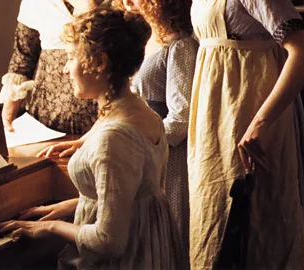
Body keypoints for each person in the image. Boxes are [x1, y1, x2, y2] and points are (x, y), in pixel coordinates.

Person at [0, 7, 183, 269]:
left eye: (71, 57)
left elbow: (109, 240)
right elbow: (133, 195)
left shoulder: (114, 136)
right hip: (151, 249)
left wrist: (51, 227)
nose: (64, 69)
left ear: (99, 62)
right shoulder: (141, 111)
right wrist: (70, 206)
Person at [188, 0, 304, 269]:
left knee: (258, 228)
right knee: (213, 222)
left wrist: (259, 124)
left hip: (248, 119)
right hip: (213, 125)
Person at [114, 0, 197, 267]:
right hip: (138, 152)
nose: (128, 1)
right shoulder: (142, 39)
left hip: (166, 157)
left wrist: (142, 145)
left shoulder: (180, 45)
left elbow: (182, 118)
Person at [0, 0, 109, 135]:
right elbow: (24, 56)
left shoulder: (125, 3)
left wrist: (89, 7)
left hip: (103, 121)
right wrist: (10, 113)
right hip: (45, 122)